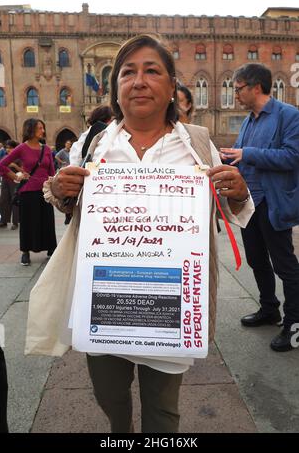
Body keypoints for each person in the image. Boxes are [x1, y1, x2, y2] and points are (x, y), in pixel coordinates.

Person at [43, 35, 254, 433]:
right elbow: (67, 201)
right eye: (128, 72)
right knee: (110, 395)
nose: (138, 81)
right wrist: (60, 191)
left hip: (170, 304)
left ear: (172, 86)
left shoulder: (197, 143)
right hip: (105, 302)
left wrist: (239, 192)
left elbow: (230, 208)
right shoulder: (94, 144)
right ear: (116, 87)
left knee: (163, 408)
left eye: (152, 71)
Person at [220, 63, 299, 352]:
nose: (235, 93)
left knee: (285, 265)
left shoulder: (288, 116)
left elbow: (292, 156)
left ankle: (294, 324)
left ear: (256, 87)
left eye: (238, 88)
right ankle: (270, 309)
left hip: (273, 202)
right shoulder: (248, 121)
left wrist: (247, 153)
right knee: (256, 259)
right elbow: (244, 158)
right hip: (249, 203)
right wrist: (225, 157)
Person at [0, 118, 57, 266]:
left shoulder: (47, 149)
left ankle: (51, 249)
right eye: (39, 128)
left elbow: (51, 171)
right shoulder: (21, 148)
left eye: (43, 128)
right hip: (28, 191)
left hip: (45, 191)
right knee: (27, 222)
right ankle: (25, 252)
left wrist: (54, 187)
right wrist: (14, 177)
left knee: (47, 220)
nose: (42, 131)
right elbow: (2, 164)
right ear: (30, 129)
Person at [0, 140, 21, 229]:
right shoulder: (4, 157)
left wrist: (14, 166)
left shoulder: (19, 158)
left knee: (14, 201)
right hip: (4, 180)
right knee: (3, 200)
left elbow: (23, 170)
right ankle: (4, 221)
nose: (8, 150)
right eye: (7, 148)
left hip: (14, 181)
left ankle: (15, 222)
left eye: (10, 148)